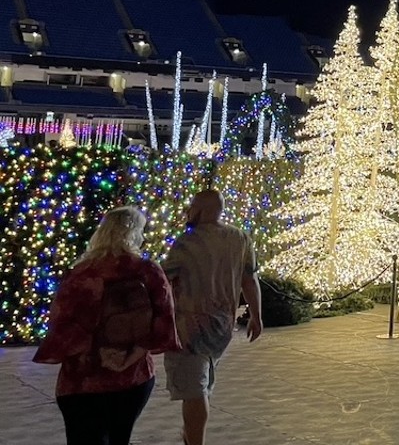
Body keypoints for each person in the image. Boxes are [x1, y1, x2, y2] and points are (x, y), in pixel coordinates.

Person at [34, 206, 181, 445]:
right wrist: (129, 356)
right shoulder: (147, 270)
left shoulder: (79, 274)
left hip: (81, 382)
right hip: (132, 378)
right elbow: (164, 321)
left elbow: (60, 326)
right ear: (134, 233)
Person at [164, 190, 263, 445]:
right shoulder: (240, 238)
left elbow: (163, 278)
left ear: (205, 210)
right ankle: (191, 436)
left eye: (193, 207)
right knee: (203, 383)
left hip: (189, 327)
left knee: (195, 390)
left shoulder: (188, 242)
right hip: (222, 326)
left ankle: (194, 439)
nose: (188, 211)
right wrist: (256, 315)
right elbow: (249, 279)